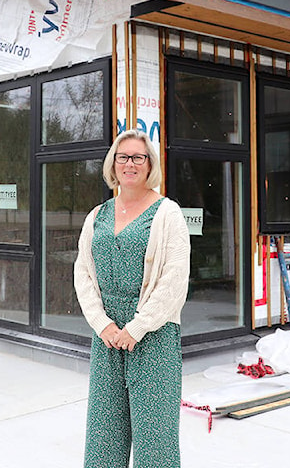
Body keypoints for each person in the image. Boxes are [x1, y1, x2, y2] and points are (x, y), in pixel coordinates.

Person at [74, 129, 191, 468]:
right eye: (123, 157)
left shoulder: (168, 213)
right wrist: (103, 325)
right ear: (114, 163)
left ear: (149, 164)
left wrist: (137, 328)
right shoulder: (98, 215)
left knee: (156, 439)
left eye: (138, 157)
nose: (130, 163)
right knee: (103, 434)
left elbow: (174, 281)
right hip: (108, 337)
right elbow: (83, 271)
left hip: (153, 337)